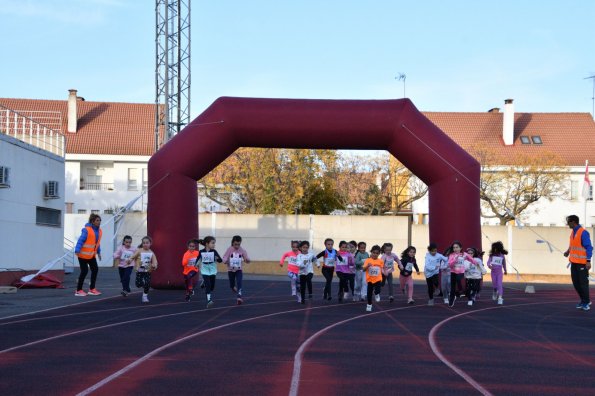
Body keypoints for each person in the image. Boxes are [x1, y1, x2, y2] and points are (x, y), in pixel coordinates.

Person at [564, 215, 592, 311]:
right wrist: (568, 251)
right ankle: (583, 300)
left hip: (582, 263)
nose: (568, 224)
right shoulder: (573, 232)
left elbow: (589, 247)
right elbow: (573, 245)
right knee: (576, 283)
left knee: (583, 284)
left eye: (569, 222)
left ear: (574, 222)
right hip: (574, 262)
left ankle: (586, 302)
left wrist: (588, 261)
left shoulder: (583, 233)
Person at [74, 214, 103, 296]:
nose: (99, 222)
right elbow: (81, 240)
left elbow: (97, 243)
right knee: (84, 271)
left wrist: (99, 252)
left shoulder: (99, 231)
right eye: (97, 220)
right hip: (82, 255)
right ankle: (78, 290)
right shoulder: (86, 230)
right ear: (92, 221)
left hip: (91, 256)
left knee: (95, 269)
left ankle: (92, 289)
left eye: (100, 220)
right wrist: (77, 250)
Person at [222, 235, 251, 305]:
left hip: (239, 270)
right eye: (235, 244)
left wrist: (247, 260)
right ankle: (232, 287)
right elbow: (225, 257)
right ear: (232, 243)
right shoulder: (229, 249)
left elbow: (247, 259)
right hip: (230, 270)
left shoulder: (242, 250)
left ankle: (239, 297)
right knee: (232, 285)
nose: (237, 246)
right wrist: (225, 261)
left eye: (238, 244)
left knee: (239, 282)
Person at [445, 241, 474, 307]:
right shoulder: (451, 255)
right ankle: (452, 299)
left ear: (460, 248)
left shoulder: (464, 254)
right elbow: (450, 264)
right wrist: (455, 259)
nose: (455, 249)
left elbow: (472, 259)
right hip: (453, 272)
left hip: (461, 272)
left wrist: (479, 266)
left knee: (459, 280)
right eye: (454, 247)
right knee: (452, 288)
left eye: (457, 247)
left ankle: (462, 291)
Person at [131, 236, 158, 303]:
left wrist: (154, 265)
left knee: (148, 283)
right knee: (138, 284)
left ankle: (145, 296)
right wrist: (129, 260)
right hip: (140, 269)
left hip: (147, 270)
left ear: (150, 244)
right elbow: (133, 256)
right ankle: (144, 285)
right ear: (142, 244)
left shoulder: (151, 252)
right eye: (144, 243)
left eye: (147, 243)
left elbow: (155, 261)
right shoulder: (139, 250)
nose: (145, 244)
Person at [198, 236, 223, 308]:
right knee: (208, 285)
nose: (214, 245)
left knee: (212, 287)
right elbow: (198, 259)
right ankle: (209, 300)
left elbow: (220, 260)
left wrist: (217, 258)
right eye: (212, 243)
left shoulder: (214, 252)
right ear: (207, 244)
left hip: (212, 270)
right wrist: (195, 265)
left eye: (214, 243)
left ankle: (204, 283)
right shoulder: (201, 252)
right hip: (204, 270)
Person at [363, 245, 384, 312]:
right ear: (371, 252)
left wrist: (385, 272)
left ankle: (377, 294)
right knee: (369, 293)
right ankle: (369, 305)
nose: (375, 254)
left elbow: (382, 269)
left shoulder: (380, 261)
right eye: (374, 252)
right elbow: (363, 269)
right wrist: (367, 266)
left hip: (378, 279)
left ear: (379, 254)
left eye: (377, 253)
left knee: (378, 290)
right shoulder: (368, 260)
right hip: (370, 279)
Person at [486, 241, 508, 305]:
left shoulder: (502, 255)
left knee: (499, 284)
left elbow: (504, 263)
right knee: (495, 285)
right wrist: (489, 265)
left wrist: (505, 270)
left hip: (499, 273)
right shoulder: (492, 255)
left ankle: (500, 297)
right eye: (494, 248)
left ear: (499, 248)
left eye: (496, 248)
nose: (495, 250)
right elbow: (488, 262)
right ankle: (495, 291)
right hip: (493, 272)